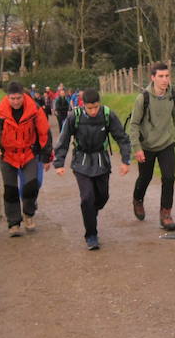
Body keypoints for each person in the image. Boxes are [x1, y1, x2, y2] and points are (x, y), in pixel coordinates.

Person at [53, 88, 131, 250]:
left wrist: (125, 160)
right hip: (81, 162)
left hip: (101, 161)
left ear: (99, 104)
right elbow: (64, 139)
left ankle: (90, 213)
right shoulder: (75, 116)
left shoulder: (108, 115)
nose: (93, 111)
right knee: (87, 197)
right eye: (90, 108)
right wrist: (59, 163)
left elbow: (122, 138)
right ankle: (91, 235)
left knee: (102, 197)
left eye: (96, 107)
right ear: (84, 105)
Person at [0, 81, 53, 237]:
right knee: (11, 189)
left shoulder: (34, 109)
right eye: (12, 98)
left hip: (28, 153)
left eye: (18, 98)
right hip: (7, 155)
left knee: (31, 185)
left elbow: (44, 133)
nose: (15, 101)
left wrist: (47, 156)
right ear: (7, 97)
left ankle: (29, 213)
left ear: (23, 95)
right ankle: (13, 223)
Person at [128, 62, 175, 230]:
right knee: (145, 178)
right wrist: (137, 148)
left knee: (169, 178)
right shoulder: (143, 98)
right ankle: (137, 199)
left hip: (166, 144)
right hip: (146, 146)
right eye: (161, 76)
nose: (164, 80)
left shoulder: (173, 96)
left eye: (167, 76)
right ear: (153, 77)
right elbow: (133, 125)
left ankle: (166, 214)